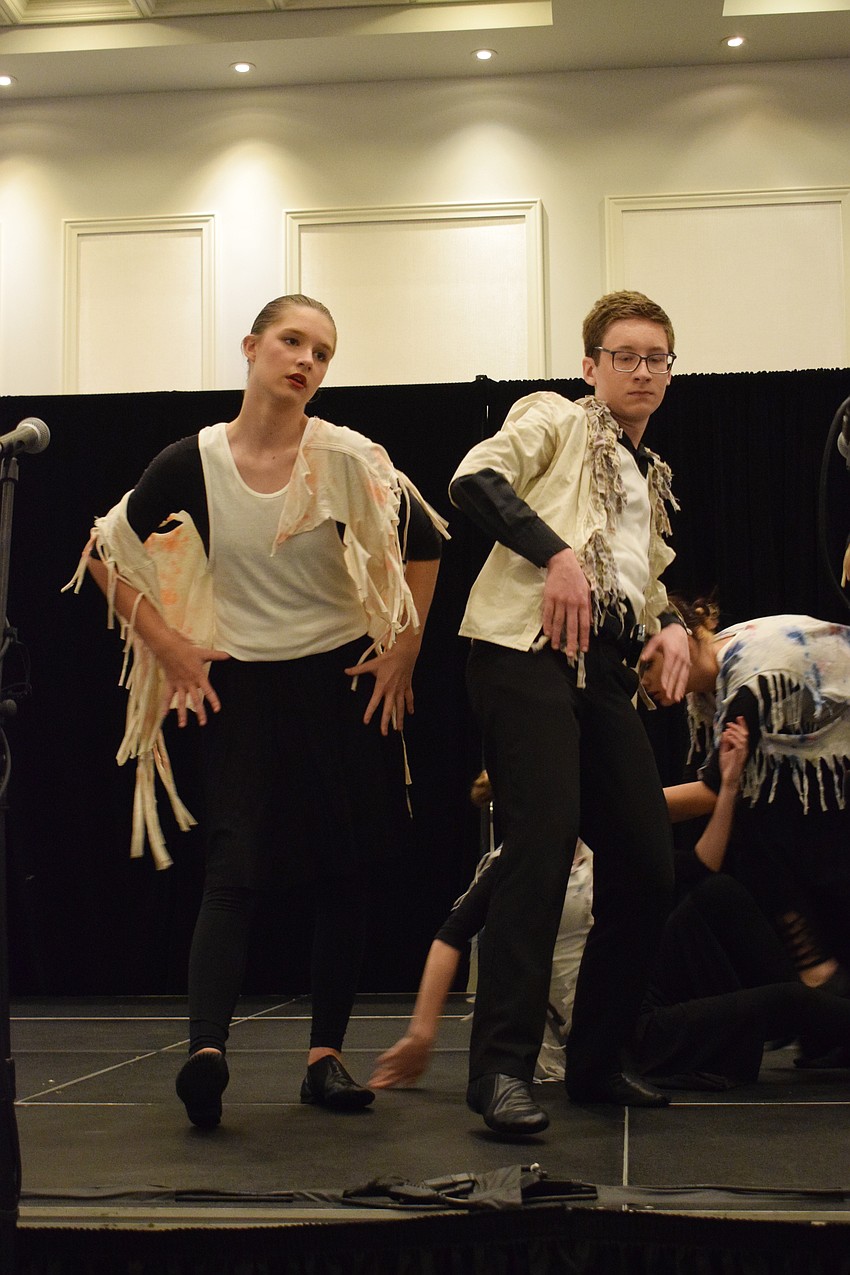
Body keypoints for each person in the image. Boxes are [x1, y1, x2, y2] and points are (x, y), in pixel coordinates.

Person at [66, 294, 447, 1129]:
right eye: (292, 341)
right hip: (246, 683)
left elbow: (425, 540)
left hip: (340, 677)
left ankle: (324, 1059)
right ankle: (206, 1052)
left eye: (322, 352)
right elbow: (102, 552)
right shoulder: (192, 459)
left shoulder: (345, 455)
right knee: (233, 868)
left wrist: (405, 648)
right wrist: (168, 643)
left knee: (343, 873)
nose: (305, 360)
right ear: (252, 347)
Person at [447, 290, 691, 1136]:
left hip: (600, 672)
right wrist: (554, 554)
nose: (642, 370)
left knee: (646, 864)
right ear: (591, 365)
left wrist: (670, 627)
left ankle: (595, 1059)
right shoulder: (554, 417)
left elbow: (642, 580)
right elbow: (474, 478)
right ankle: (500, 1070)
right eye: (625, 355)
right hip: (523, 652)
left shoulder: (645, 475)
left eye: (657, 357)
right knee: (542, 843)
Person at [372, 732, 850, 1095]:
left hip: (636, 986)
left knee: (718, 893)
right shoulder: (515, 863)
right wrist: (421, 1033)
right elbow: (450, 937)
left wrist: (728, 784)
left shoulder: (596, 839)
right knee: (784, 1000)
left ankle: (817, 1019)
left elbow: (701, 862)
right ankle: (810, 1012)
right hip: (614, 1031)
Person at [643, 602, 850, 987]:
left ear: (679, 640)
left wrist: (621, 805)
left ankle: (814, 966)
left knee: (756, 824)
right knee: (751, 817)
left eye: (647, 666)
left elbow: (711, 791)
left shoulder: (748, 682)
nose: (645, 684)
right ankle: (812, 966)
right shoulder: (709, 687)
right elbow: (719, 779)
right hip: (818, 761)